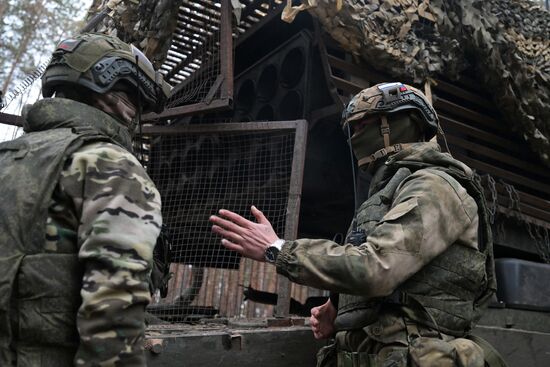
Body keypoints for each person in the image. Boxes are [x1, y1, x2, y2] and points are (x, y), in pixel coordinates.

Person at [210, 82, 500, 366]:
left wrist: (277, 249)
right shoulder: (393, 189)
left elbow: (376, 268)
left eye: (364, 126)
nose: (355, 137)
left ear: (400, 124)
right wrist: (341, 307)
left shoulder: (435, 186)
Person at [0, 33, 171, 366]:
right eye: (135, 101)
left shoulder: (7, 156)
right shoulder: (108, 163)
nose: (134, 115)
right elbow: (114, 313)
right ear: (112, 90)